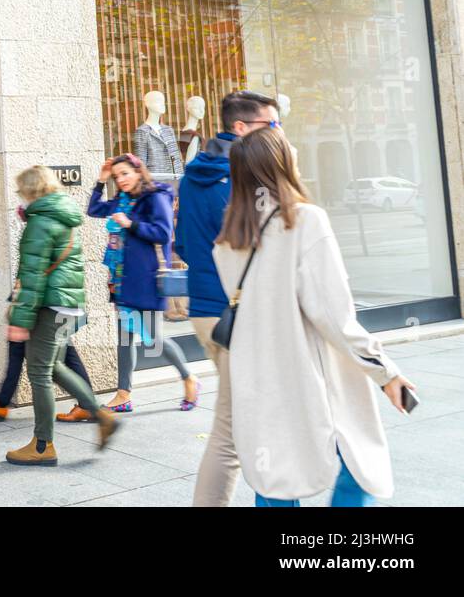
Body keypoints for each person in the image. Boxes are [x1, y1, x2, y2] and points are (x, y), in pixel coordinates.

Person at [212, 128, 415, 506]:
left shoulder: (228, 240)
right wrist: (384, 370)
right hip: (312, 372)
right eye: (288, 147)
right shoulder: (304, 222)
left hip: (257, 376)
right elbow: (335, 318)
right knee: (360, 467)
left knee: (273, 479)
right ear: (280, 163)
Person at [0, 167, 119, 465]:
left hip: (49, 307)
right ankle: (100, 414)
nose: (20, 197)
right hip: (68, 304)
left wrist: (20, 322)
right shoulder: (62, 216)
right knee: (55, 367)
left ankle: (42, 446)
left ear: (30, 191)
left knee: (39, 372)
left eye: (21, 190)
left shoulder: (40, 222)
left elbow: (33, 277)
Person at [177, 90, 279, 506]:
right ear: (240, 128)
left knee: (244, 423)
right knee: (234, 432)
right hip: (240, 314)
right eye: (270, 125)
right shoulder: (247, 176)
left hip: (207, 312)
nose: (278, 132)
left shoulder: (191, 176)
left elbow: (182, 244)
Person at [88, 153, 197, 412]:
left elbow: (162, 233)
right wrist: (101, 181)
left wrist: (130, 223)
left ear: (139, 172)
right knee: (124, 339)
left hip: (144, 278)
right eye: (117, 176)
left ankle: (189, 378)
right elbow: (94, 210)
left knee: (152, 340)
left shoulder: (155, 196)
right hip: (123, 279)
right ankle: (123, 394)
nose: (121, 180)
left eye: (125, 173)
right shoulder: (123, 199)